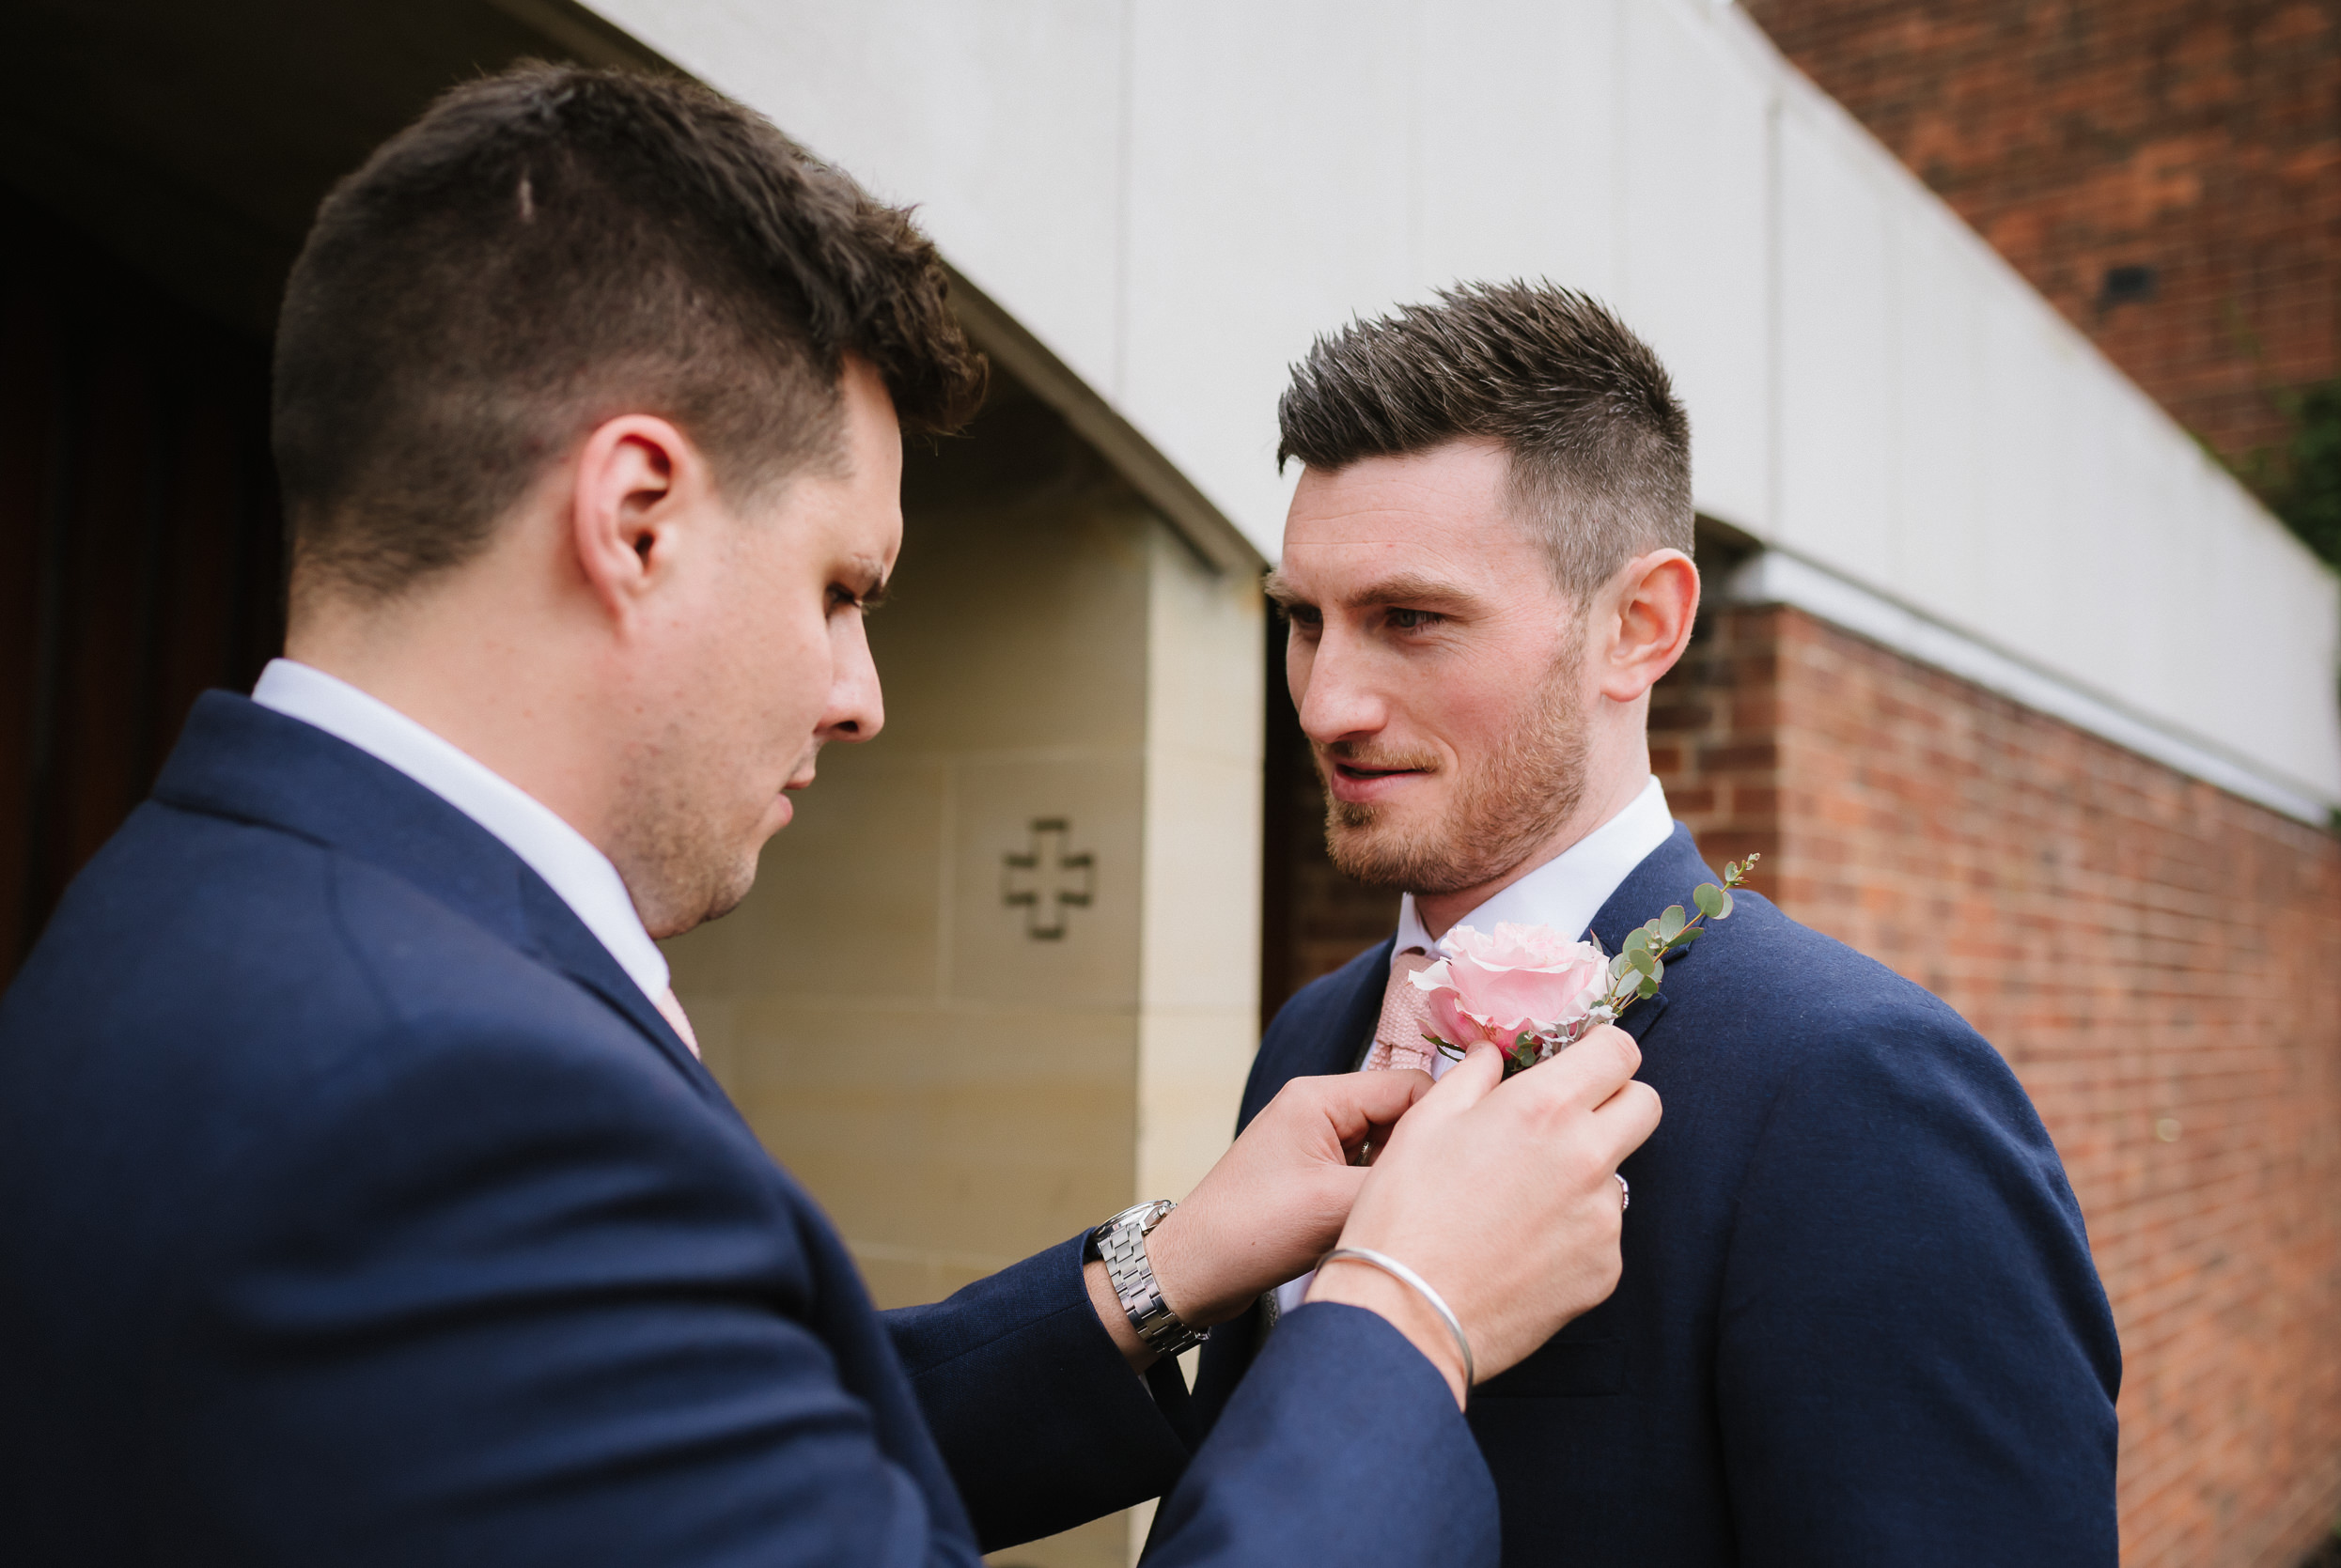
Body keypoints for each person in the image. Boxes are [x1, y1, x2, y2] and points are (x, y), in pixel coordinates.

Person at [0, 70, 1661, 1567]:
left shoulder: (162, 916)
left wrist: (1160, 1268)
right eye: (841, 587)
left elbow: (697, 1462)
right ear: (635, 518)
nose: (863, 694)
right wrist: (1404, 1311)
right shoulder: (445, 1100)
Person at [1186, 284, 2125, 1566]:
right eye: (1303, 620)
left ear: (1641, 626)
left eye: (1410, 618)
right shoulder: (1307, 1041)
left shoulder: (1862, 1095)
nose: (1328, 700)